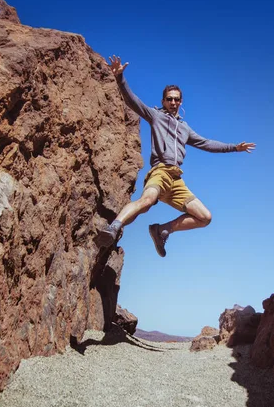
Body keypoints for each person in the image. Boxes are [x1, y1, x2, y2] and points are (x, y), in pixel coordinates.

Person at [96, 56, 256, 257]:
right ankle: (114, 227)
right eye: (169, 99)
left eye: (176, 99)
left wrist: (234, 147)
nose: (173, 102)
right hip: (160, 172)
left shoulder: (185, 128)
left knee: (205, 217)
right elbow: (133, 102)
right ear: (163, 101)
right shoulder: (156, 116)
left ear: (181, 102)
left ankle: (162, 230)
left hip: (176, 180)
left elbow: (207, 143)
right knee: (146, 201)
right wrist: (120, 79)